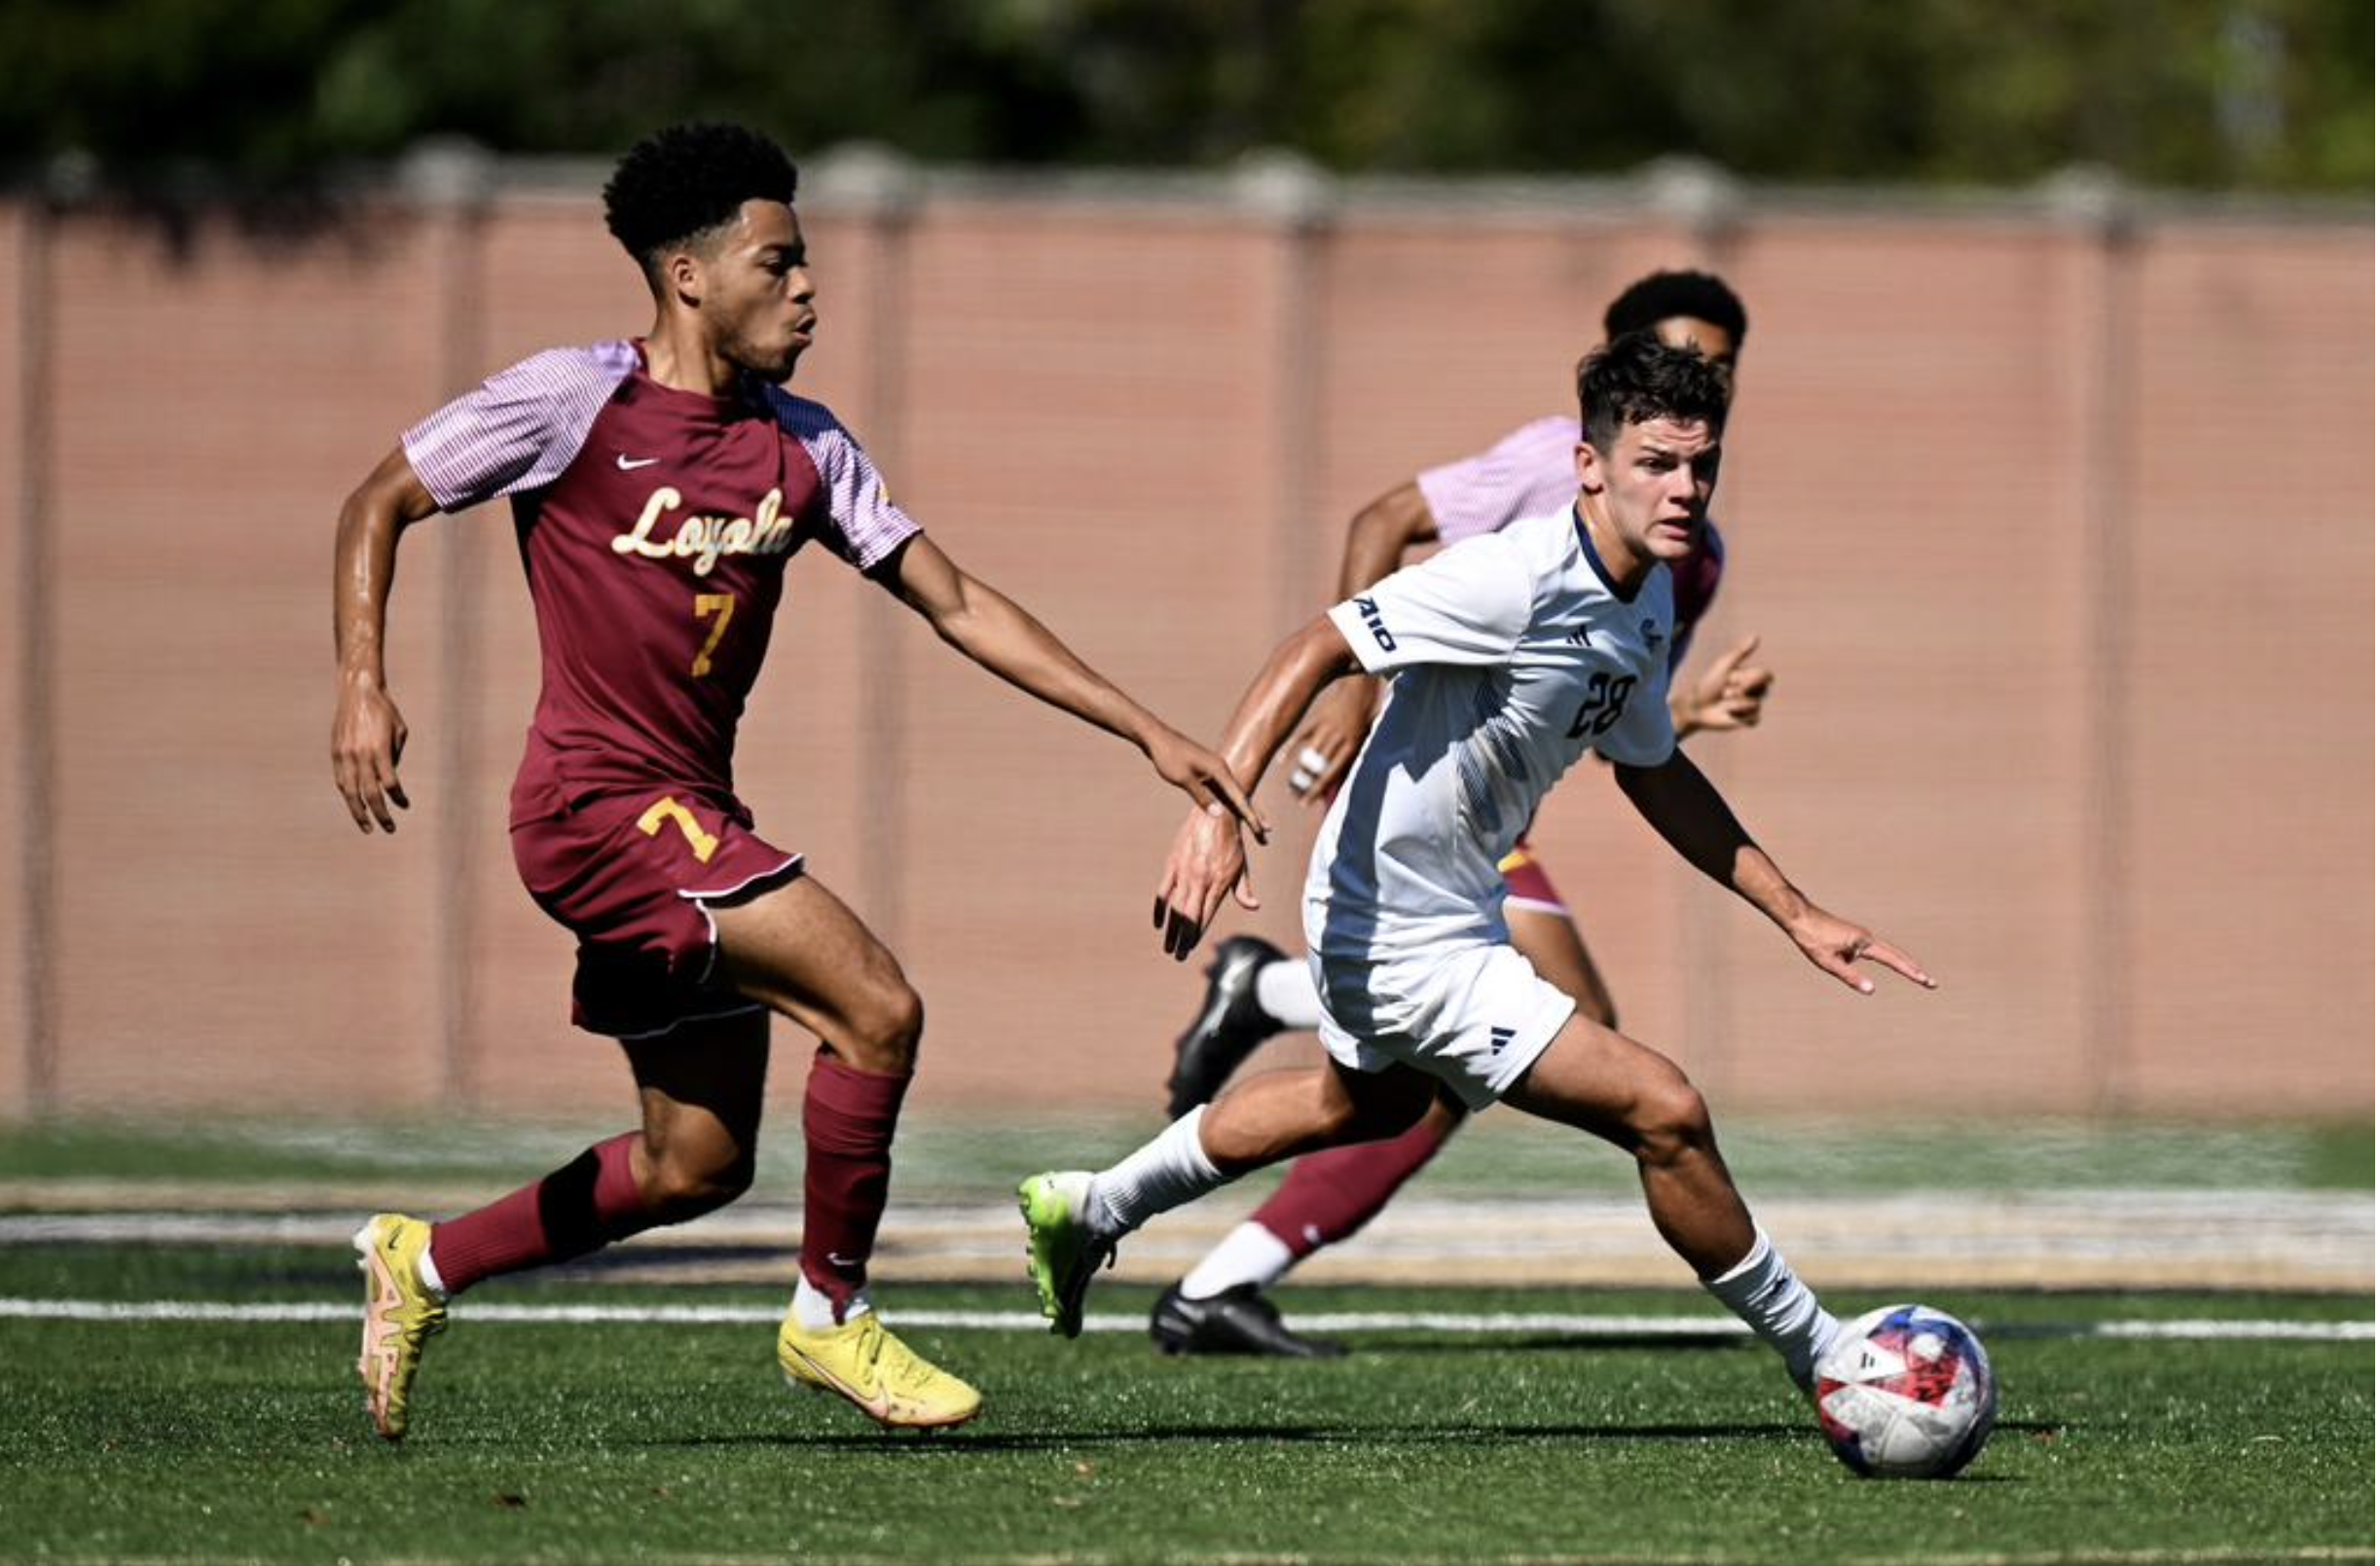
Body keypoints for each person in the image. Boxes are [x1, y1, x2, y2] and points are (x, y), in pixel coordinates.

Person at [331, 122, 1261, 1440]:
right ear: (688, 274)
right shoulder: (571, 400)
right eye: (781, 262)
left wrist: (1146, 731)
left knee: (692, 1165)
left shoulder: (805, 447)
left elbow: (958, 602)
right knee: (876, 1007)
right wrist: (362, 681)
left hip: (689, 816)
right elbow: (377, 500)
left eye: (809, 261)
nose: (809, 289)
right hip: (596, 809)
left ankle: (419, 1262)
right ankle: (832, 1318)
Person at [1021, 333, 1933, 1397]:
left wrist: (1797, 910)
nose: (1684, 488)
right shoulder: (1514, 577)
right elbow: (1316, 644)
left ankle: (1091, 1205)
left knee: (1362, 1108)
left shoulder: (1644, 597)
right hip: (1400, 927)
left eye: (1702, 465)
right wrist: (1217, 809)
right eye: (1656, 462)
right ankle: (1829, 1361)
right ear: (1591, 465)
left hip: (1449, 903)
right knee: (1665, 1108)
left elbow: (1652, 766)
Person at [1153, 272, 1772, 1357]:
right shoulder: (1554, 460)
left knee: (1433, 1086)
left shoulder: (1692, 549)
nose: (1702, 379)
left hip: (1491, 813)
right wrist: (1353, 691)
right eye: (1682, 353)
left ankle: (1220, 1276)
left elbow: (1599, 709)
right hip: (1420, 784)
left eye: (1720, 364)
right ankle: (1267, 1003)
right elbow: (1383, 519)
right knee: (1564, 1025)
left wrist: (1691, 716)